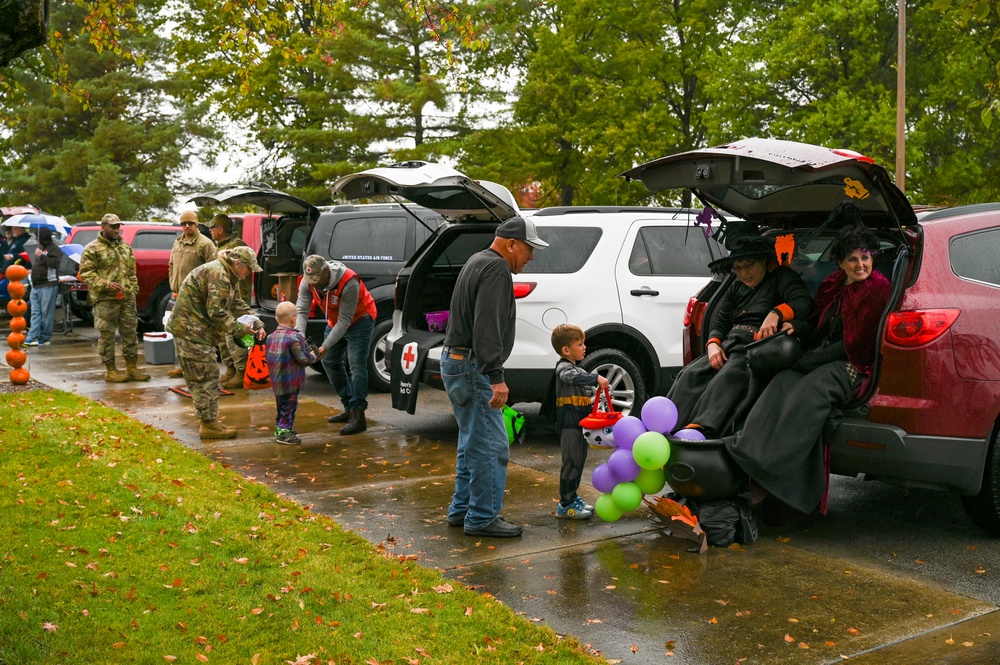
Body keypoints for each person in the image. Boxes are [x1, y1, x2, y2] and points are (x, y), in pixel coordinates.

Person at [724, 216, 891, 522]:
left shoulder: (877, 288)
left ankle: (776, 473)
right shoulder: (833, 285)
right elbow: (815, 324)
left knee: (809, 393)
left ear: (872, 257)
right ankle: (748, 453)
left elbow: (858, 343)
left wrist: (812, 359)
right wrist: (794, 327)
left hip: (850, 362)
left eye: (865, 258)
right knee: (782, 380)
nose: (860, 265)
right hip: (820, 353)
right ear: (840, 263)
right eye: (852, 259)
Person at [442, 216, 547, 538]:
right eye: (529, 249)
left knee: (471, 441)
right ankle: (483, 518)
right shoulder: (496, 269)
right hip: (474, 366)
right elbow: (486, 326)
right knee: (491, 445)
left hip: (456, 360)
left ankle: (461, 511)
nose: (531, 257)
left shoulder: (477, 260)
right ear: (511, 243)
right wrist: (496, 376)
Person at [666, 234, 811, 438]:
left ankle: (700, 429)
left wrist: (776, 314)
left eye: (748, 265)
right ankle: (667, 425)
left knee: (728, 376)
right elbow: (722, 321)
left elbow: (803, 302)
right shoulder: (737, 285)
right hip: (729, 344)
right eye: (738, 267)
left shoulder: (782, 277)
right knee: (691, 375)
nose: (743, 273)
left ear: (763, 260)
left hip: (757, 348)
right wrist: (713, 344)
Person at [166, 246, 265, 439]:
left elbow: (235, 303)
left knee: (208, 376)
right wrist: (241, 329)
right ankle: (209, 425)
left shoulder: (228, 274)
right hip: (191, 332)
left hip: (198, 331)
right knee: (204, 378)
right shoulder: (218, 275)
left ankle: (210, 422)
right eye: (249, 269)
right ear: (239, 264)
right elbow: (217, 313)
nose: (249, 274)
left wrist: (256, 321)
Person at [296, 255, 377, 436]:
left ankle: (358, 413)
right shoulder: (308, 281)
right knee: (329, 361)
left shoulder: (349, 281)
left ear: (326, 271)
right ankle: (348, 405)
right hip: (335, 321)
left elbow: (345, 321)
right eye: (311, 281)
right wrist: (299, 337)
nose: (314, 285)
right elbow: (301, 310)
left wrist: (324, 346)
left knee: (356, 364)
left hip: (359, 319)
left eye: (317, 280)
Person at [78, 213, 151, 383]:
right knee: (107, 335)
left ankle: (132, 368)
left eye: (118, 226)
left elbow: (131, 271)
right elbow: (86, 273)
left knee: (130, 333)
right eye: (113, 226)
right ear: (103, 227)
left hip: (126, 298)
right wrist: (106, 284)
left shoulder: (125, 247)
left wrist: (133, 288)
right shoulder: (92, 248)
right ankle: (110, 370)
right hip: (105, 299)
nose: (117, 230)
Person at [551, 323, 609, 520]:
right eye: (580, 344)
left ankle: (573, 497)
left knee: (579, 460)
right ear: (566, 350)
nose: (584, 347)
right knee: (571, 461)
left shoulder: (576, 368)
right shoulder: (564, 367)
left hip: (579, 421)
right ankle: (565, 504)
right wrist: (595, 379)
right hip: (569, 422)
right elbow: (571, 378)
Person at [166, 210, 217, 378]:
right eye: (183, 223)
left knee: (197, 335)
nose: (186, 226)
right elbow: (172, 264)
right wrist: (173, 283)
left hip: (196, 298)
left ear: (196, 224)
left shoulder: (205, 244)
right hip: (178, 295)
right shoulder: (178, 242)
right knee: (179, 332)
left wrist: (205, 294)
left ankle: (199, 369)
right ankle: (183, 366)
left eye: (190, 223)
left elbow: (213, 271)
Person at [266, 301, 319, 445]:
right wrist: (313, 356)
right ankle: (284, 432)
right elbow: (302, 358)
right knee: (289, 406)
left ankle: (280, 427)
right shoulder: (294, 337)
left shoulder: (270, 337)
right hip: (290, 380)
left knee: (281, 405)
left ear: (276, 319)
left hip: (277, 379)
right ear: (293, 319)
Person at [209, 214, 252, 389]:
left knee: (237, 335)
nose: (210, 231)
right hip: (222, 298)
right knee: (224, 336)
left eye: (212, 228)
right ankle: (231, 370)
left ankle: (241, 372)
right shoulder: (221, 247)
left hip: (234, 299)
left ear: (220, 229)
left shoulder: (236, 247)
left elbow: (239, 276)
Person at [23, 228, 64, 346]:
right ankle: (32, 336)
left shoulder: (54, 249)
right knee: (35, 312)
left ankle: (45, 337)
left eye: (37, 236)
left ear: (42, 237)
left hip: (48, 285)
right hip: (36, 285)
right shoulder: (40, 248)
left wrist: (42, 256)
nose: (36, 238)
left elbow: (55, 264)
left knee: (46, 313)